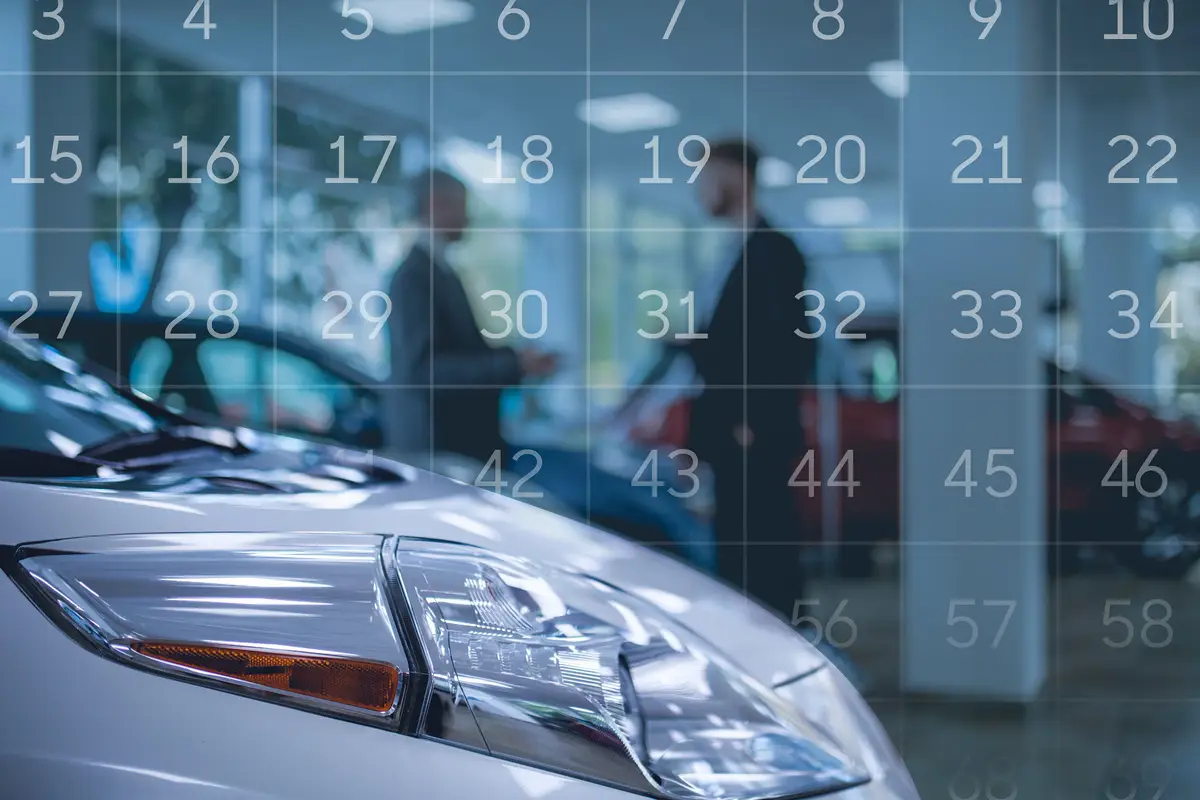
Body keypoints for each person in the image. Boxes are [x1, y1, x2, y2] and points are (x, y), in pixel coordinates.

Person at [670, 139, 816, 619]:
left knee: (764, 556)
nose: (699, 190)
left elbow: (786, 343)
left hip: (752, 429)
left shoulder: (773, 250)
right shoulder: (734, 251)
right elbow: (736, 340)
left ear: (736, 176)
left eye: (706, 177)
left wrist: (751, 417)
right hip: (732, 426)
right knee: (738, 551)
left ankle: (784, 663)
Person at [384, 169, 559, 466]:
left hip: (458, 443)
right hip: (438, 447)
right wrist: (512, 364)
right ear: (435, 204)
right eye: (461, 206)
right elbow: (425, 371)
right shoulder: (413, 277)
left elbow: (458, 352)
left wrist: (515, 360)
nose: (468, 218)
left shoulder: (441, 272)